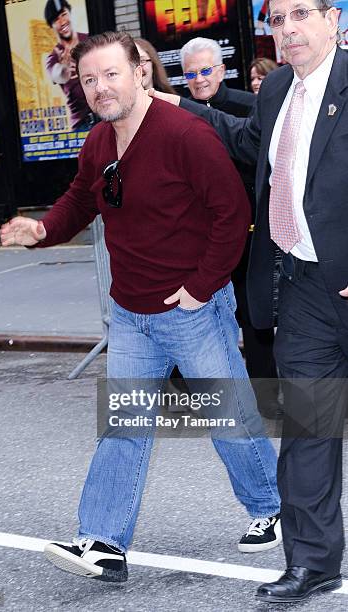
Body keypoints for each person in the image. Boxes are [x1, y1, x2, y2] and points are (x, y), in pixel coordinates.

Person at [0, 31, 281, 582]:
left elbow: (233, 212)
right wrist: (42, 228)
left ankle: (272, 505)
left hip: (192, 311)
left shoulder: (186, 135)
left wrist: (202, 287)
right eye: (88, 79)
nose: (100, 88)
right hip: (130, 314)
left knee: (227, 417)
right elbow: (81, 199)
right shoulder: (100, 143)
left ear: (140, 74)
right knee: (124, 427)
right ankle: (103, 542)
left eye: (110, 74)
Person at [151, 0, 346, 603]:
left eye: (300, 15)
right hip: (305, 288)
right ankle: (314, 563)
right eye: (276, 18)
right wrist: (179, 104)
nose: (286, 29)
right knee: (310, 430)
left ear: (333, 19)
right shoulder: (277, 88)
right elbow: (248, 142)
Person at [182, 37, 280, 417]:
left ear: (222, 70)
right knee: (206, 319)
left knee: (256, 319)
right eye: (191, 73)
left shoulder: (249, 106)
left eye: (206, 70)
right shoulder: (181, 113)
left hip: (252, 230)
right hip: (205, 236)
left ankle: (266, 398)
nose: (200, 79)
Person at [44, 0, 94, 131]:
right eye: (56, 19)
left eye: (63, 14)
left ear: (70, 13)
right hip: (81, 125)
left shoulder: (91, 40)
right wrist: (64, 67)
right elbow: (57, 75)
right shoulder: (53, 57)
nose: (62, 22)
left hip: (105, 117)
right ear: (52, 26)